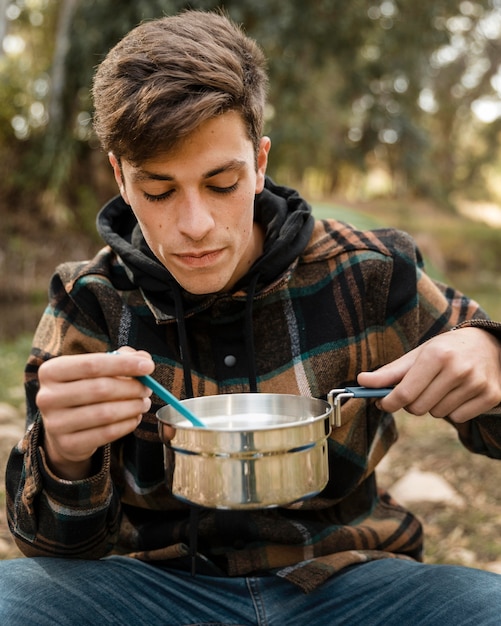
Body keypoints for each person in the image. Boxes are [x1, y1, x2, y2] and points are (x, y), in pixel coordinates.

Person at [1, 9, 501, 625]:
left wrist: (491, 358)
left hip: (351, 587)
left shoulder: (369, 272)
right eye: (158, 190)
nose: (195, 226)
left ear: (260, 161)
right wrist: (64, 457)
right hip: (158, 593)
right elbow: (53, 548)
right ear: (120, 177)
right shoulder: (90, 299)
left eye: (221, 183)